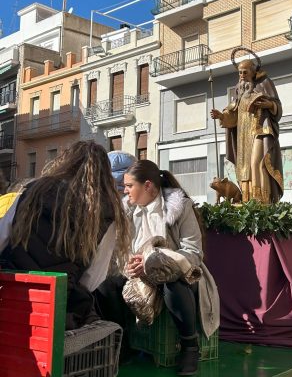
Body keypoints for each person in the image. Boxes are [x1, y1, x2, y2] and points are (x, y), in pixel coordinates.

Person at [98, 160, 219, 375]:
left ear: (148, 186)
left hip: (180, 274)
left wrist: (155, 265)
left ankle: (190, 347)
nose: (124, 191)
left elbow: (193, 252)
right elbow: (118, 251)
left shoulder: (180, 207)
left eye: (128, 185)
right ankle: (124, 345)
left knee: (172, 284)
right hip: (137, 277)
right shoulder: (126, 211)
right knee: (106, 285)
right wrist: (130, 266)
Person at [0, 141, 130, 329]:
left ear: (64, 161)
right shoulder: (106, 212)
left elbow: (3, 236)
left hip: (11, 294)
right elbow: (93, 278)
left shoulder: (32, 191)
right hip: (58, 307)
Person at [210, 56, 283, 204]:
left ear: (253, 72)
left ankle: (262, 201)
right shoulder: (239, 89)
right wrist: (221, 116)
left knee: (258, 163)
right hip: (243, 134)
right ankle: (247, 198)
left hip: (260, 129)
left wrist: (268, 105)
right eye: (240, 73)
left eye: (245, 72)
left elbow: (277, 107)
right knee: (245, 167)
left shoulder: (265, 83)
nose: (242, 76)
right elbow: (234, 112)